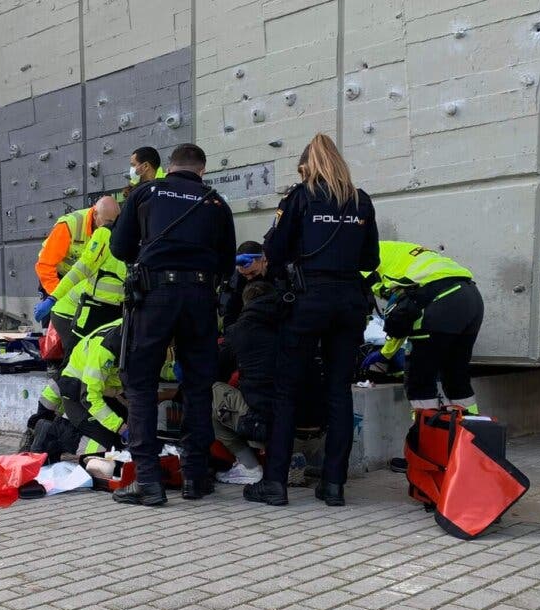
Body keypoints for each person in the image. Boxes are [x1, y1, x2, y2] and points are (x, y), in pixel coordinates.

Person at [252, 133, 379, 508]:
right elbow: (370, 259)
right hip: (349, 302)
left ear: (307, 166)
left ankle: (275, 483)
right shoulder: (361, 201)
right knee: (339, 392)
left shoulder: (300, 197)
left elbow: (274, 251)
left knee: (286, 390)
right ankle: (334, 485)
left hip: (307, 300)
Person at [110, 142, 236, 505]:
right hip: (199, 298)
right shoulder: (215, 201)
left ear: (169, 166)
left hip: (154, 298)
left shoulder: (147, 192)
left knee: (142, 385)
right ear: (202, 170)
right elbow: (227, 263)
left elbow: (120, 248)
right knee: (197, 387)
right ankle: (195, 478)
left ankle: (148, 482)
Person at [32, 197, 127, 423]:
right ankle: (42, 419)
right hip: (74, 308)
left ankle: (63, 419)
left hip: (97, 310)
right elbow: (75, 269)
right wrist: (53, 297)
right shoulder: (83, 229)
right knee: (72, 369)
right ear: (95, 215)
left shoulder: (123, 238)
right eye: (106, 221)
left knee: (88, 368)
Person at [361, 241, 483, 413]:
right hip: (471, 297)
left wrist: (384, 353)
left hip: (441, 300)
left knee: (419, 379)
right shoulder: (392, 250)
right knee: (456, 376)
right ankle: (471, 433)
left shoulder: (358, 260)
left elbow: (399, 317)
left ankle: (428, 435)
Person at [213, 281, 278, 484]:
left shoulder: (239, 330)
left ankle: (249, 465)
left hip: (258, 415)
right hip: (295, 410)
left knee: (214, 392)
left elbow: (218, 368)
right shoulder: (291, 325)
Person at [56, 319, 128, 451]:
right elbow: (89, 397)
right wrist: (120, 428)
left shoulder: (137, 331)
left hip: (104, 393)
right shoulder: (106, 348)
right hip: (78, 395)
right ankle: (56, 434)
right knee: (109, 445)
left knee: (125, 437)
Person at [34, 196, 121, 299]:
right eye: (108, 222)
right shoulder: (69, 225)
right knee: (51, 313)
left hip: (81, 281)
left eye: (115, 222)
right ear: (95, 214)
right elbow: (45, 265)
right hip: (57, 278)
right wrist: (56, 297)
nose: (112, 226)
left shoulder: (108, 229)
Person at [219, 240, 267, 328]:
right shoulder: (241, 278)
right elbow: (232, 310)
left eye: (253, 273)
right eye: (245, 275)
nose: (249, 278)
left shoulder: (277, 276)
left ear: (265, 261)